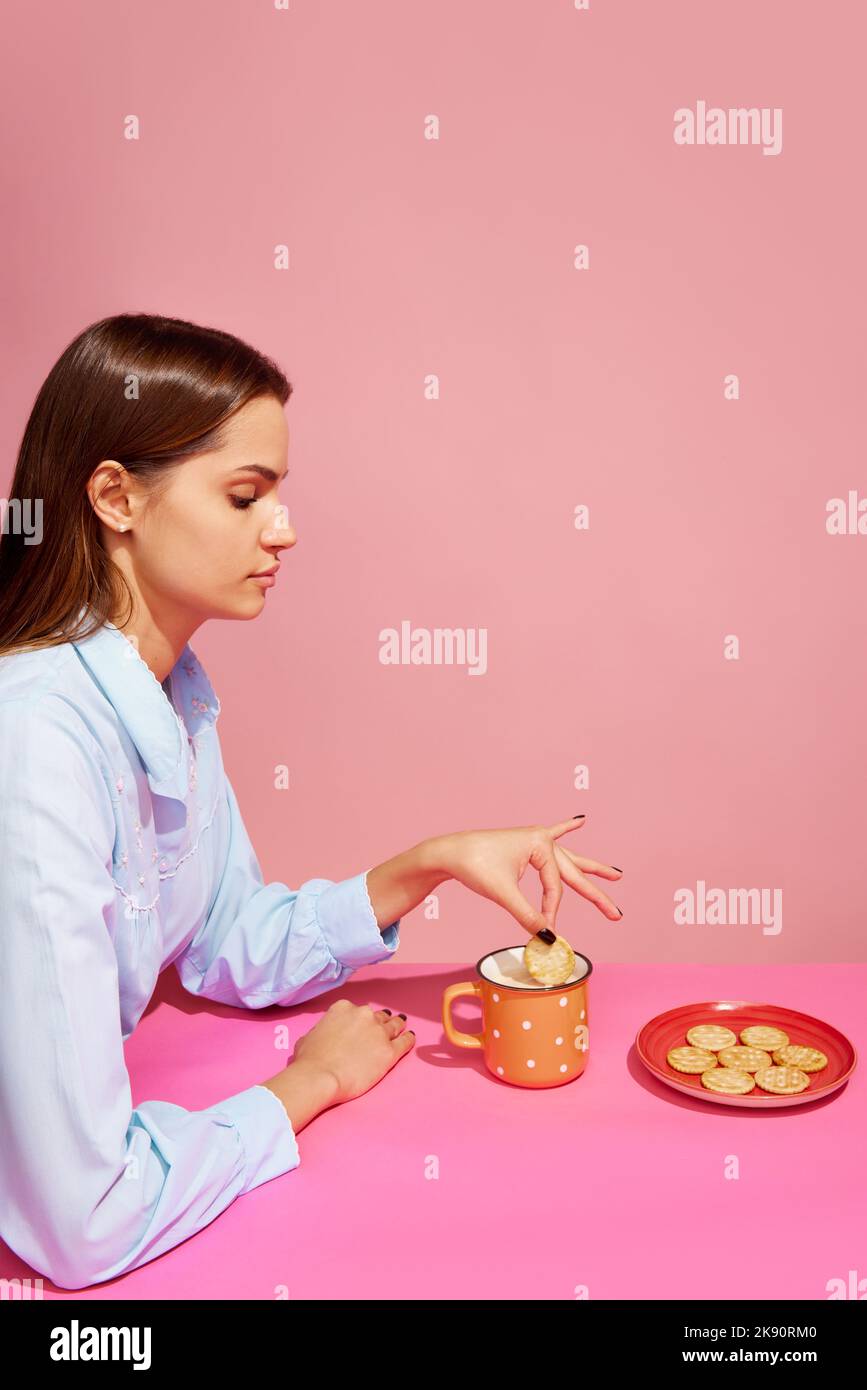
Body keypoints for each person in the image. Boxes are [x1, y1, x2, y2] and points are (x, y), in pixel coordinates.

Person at [0, 313, 623, 1290]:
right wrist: (308, 1084)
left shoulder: (171, 695)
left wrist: (428, 863)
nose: (283, 528)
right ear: (115, 496)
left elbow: (222, 937)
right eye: (246, 495)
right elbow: (83, 1219)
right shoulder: (36, 741)